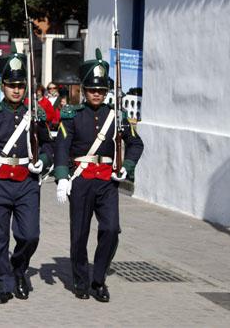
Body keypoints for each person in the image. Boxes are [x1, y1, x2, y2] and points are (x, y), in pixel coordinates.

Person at [54, 49, 144, 302]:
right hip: (81, 180)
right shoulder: (72, 115)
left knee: (111, 229)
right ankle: (81, 280)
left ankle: (99, 279)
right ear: (84, 90)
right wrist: (62, 177)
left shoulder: (117, 117)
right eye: (93, 89)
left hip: (107, 180)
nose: (97, 93)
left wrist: (127, 165)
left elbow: (136, 144)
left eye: (102, 90)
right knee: (79, 233)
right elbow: (61, 146)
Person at [0, 52, 52, 304]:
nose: (16, 90)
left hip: (27, 181)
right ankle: (3, 282)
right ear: (2, 86)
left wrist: (43, 161)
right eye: (11, 85)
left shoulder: (35, 114)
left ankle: (18, 269)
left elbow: (48, 146)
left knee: (30, 235)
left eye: (20, 86)